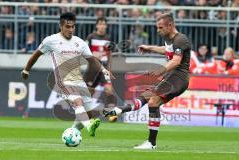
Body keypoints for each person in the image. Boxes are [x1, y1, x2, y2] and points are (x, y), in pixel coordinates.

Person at [104, 12, 191, 149]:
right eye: (157, 27)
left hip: (178, 77)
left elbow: (176, 61)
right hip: (171, 77)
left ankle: (151, 143)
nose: (158, 30)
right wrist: (149, 48)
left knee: (153, 101)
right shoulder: (170, 39)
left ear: (170, 25)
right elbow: (167, 50)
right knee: (146, 96)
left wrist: (160, 70)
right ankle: (121, 110)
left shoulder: (181, 39)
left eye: (161, 28)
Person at [21, 12, 113, 137]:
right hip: (62, 81)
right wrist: (26, 70)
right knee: (78, 102)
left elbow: (91, 59)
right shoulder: (51, 40)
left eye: (73, 27)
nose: (71, 29)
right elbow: (36, 55)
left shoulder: (80, 42)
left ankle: (72, 133)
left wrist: (103, 69)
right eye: (67, 27)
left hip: (79, 81)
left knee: (88, 112)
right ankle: (89, 125)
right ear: (61, 26)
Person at [84, 17, 114, 108]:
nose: (102, 26)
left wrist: (109, 69)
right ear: (97, 25)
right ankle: (87, 112)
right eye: (100, 24)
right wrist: (93, 55)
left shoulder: (108, 38)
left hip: (104, 68)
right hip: (92, 69)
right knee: (90, 91)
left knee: (109, 90)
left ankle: (111, 113)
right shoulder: (91, 37)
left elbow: (109, 55)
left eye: (104, 24)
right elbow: (84, 53)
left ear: (106, 26)